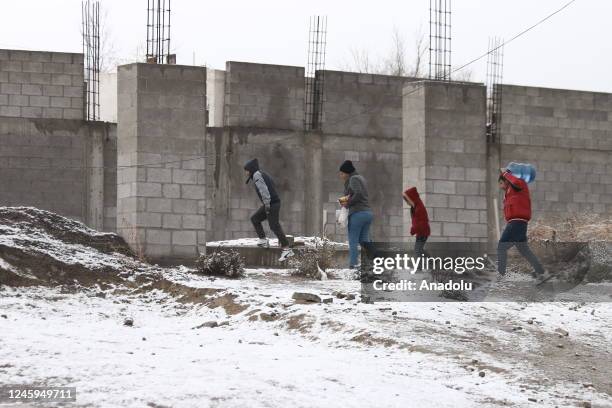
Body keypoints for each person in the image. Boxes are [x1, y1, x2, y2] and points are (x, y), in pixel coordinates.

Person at [497, 168, 547, 280]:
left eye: (501, 183)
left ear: (506, 180)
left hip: (516, 222)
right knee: (523, 249)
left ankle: (500, 276)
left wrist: (505, 173)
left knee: (501, 247)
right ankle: (541, 272)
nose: (500, 187)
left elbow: (515, 182)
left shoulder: (519, 184)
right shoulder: (509, 193)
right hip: (518, 223)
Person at [244, 158, 293, 262]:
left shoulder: (257, 175)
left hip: (271, 203)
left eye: (247, 170)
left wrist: (267, 205)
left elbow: (264, 190)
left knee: (274, 225)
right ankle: (263, 240)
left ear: (251, 169)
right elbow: (272, 184)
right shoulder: (261, 174)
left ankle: (286, 249)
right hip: (272, 202)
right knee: (255, 219)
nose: (246, 173)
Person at [338, 160, 373, 268]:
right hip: (367, 213)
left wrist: (347, 203)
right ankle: (369, 263)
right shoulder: (361, 178)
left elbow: (358, 194)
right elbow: (359, 194)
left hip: (358, 214)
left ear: (347, 172)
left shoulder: (353, 179)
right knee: (364, 241)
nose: (341, 175)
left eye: (342, 173)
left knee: (353, 241)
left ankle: (353, 265)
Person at [403, 187, 430, 260]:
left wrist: (413, 230)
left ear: (412, 199)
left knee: (417, 251)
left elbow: (421, 222)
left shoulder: (419, 208)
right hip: (421, 232)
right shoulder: (414, 207)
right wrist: (414, 229)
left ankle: (419, 268)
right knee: (419, 250)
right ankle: (433, 262)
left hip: (423, 232)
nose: (407, 203)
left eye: (408, 201)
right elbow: (415, 221)